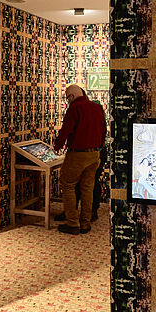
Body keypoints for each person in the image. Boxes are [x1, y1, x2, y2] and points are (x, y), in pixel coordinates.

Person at [53, 84, 106, 234]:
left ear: (72, 96)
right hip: (94, 154)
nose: (67, 101)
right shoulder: (97, 107)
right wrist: (99, 146)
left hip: (77, 154)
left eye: (67, 98)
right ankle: (85, 223)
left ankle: (72, 223)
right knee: (87, 188)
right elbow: (104, 130)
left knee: (68, 185)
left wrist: (57, 146)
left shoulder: (74, 108)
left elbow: (66, 130)